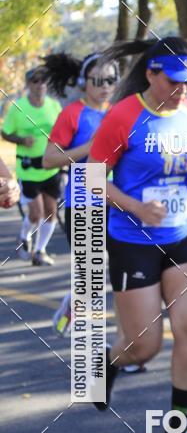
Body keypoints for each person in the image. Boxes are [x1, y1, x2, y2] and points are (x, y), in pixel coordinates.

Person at [88, 36, 187, 433]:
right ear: (151, 74)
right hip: (133, 240)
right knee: (144, 347)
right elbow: (91, 178)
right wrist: (135, 207)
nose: (183, 89)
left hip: (181, 234)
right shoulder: (124, 116)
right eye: (174, 81)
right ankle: (107, 363)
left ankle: (178, 428)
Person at [42, 51, 119, 334]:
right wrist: (88, 148)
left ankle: (123, 337)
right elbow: (48, 160)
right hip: (83, 202)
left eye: (110, 79)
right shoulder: (72, 113)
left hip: (117, 202)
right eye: (97, 80)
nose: (104, 86)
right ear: (83, 82)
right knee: (91, 274)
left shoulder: (118, 112)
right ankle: (74, 311)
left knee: (119, 271)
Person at [1, 67, 62, 264]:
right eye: (35, 80)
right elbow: (5, 132)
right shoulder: (18, 108)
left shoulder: (54, 106)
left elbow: (63, 132)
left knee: (51, 212)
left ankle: (40, 251)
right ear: (28, 84)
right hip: (28, 170)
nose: (40, 84)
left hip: (50, 169)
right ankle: (24, 237)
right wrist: (21, 140)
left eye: (43, 80)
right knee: (37, 213)